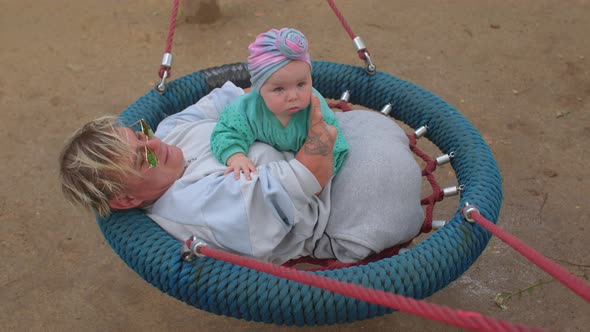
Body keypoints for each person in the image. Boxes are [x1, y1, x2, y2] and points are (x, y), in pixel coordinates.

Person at [59, 81, 424, 265]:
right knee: (377, 175)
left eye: (140, 135)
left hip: (339, 143)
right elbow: (304, 181)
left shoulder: (169, 132)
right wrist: (317, 130)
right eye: (143, 160)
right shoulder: (193, 205)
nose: (155, 146)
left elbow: (228, 99)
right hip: (336, 208)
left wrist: (278, 90)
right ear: (127, 199)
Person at [210, 28, 348, 180]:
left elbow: (334, 143)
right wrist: (237, 157)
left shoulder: (316, 110)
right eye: (279, 89)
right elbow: (225, 132)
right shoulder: (249, 108)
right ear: (259, 89)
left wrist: (322, 169)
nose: (293, 96)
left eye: (301, 84)